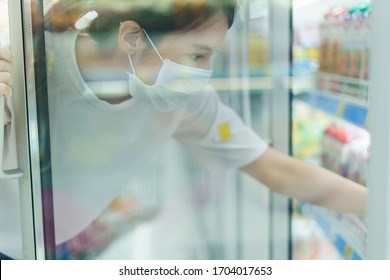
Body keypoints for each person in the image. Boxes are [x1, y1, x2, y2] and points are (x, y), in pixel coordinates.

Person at [0, 0, 367, 260]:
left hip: (44, 252)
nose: (204, 72)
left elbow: (273, 167)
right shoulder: (30, 64)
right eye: (198, 55)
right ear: (132, 37)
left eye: (211, 57)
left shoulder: (184, 100)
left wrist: (375, 204)